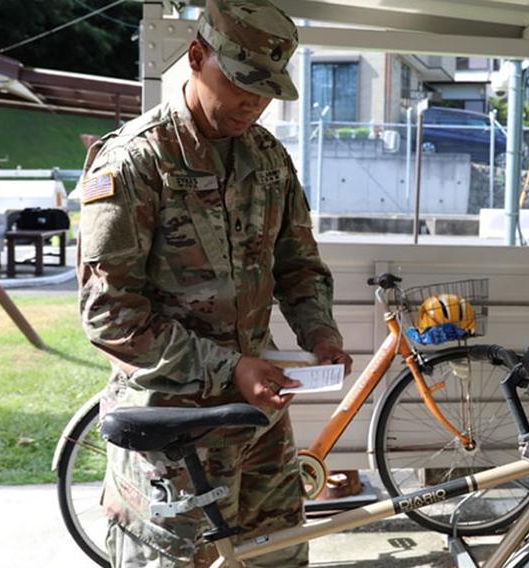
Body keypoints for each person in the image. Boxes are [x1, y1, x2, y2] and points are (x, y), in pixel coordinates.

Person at [77, 1, 352, 566]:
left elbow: (297, 262)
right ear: (197, 58)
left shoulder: (269, 158)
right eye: (241, 82)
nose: (254, 102)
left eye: (267, 89)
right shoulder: (135, 162)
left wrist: (319, 331)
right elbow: (110, 315)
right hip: (173, 434)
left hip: (259, 427)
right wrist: (230, 368)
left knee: (277, 555)